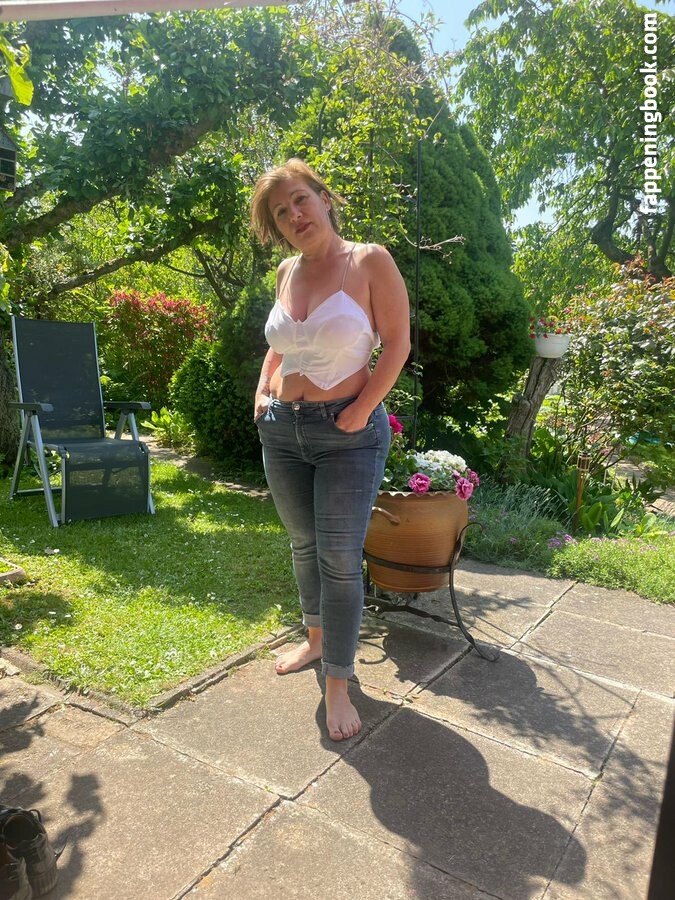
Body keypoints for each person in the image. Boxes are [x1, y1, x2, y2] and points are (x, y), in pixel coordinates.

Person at [250, 158, 410, 742]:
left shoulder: (369, 261)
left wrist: (363, 408)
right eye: (280, 212)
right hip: (282, 431)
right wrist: (261, 393)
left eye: (300, 199)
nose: (294, 215)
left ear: (323, 197)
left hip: (346, 434)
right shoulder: (286, 271)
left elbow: (398, 344)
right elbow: (279, 346)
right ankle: (315, 641)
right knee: (304, 545)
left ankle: (339, 682)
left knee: (339, 559)